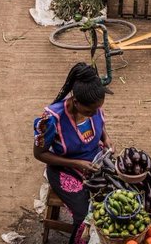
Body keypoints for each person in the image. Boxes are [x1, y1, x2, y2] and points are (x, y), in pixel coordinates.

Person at [33, 63, 108, 244]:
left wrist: (106, 138)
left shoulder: (93, 107)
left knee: (114, 202)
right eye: (89, 111)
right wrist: (77, 164)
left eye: (97, 110)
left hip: (95, 162)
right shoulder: (51, 119)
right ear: (75, 102)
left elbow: (100, 123)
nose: (94, 113)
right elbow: (39, 154)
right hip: (64, 169)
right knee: (85, 215)